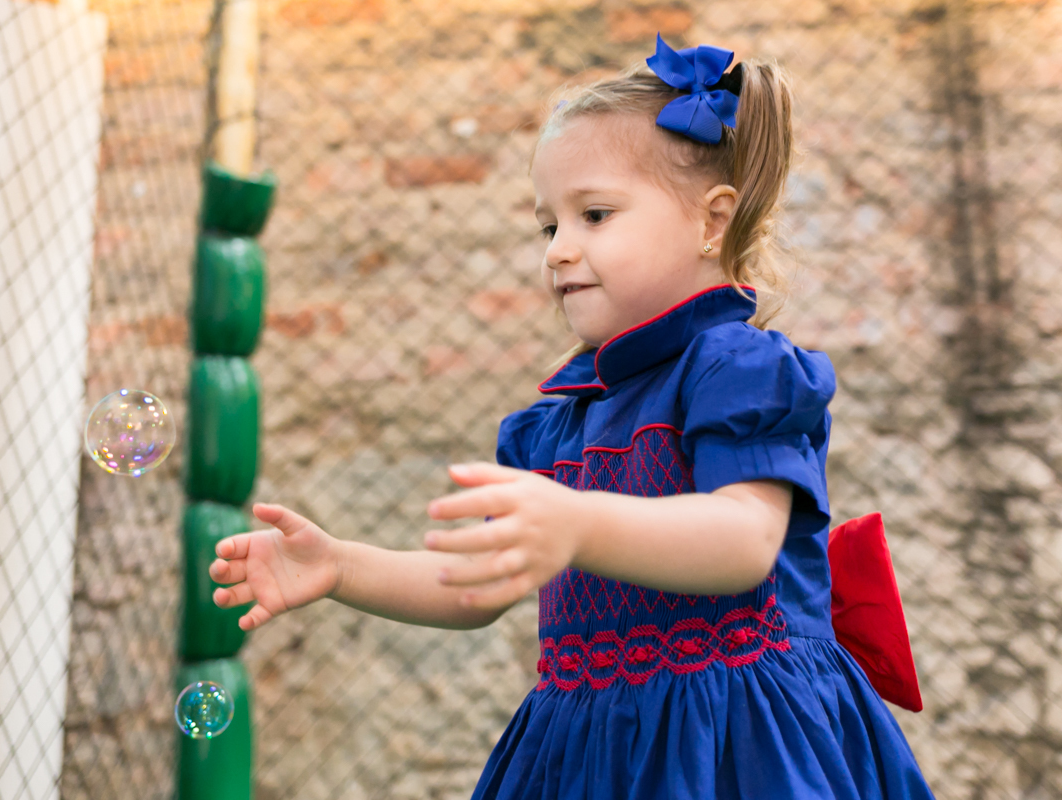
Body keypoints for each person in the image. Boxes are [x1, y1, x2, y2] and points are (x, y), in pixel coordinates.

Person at [208, 35, 935, 799]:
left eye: (593, 214)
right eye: (547, 226)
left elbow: (744, 542)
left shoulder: (735, 370)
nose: (558, 250)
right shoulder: (554, 424)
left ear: (711, 222)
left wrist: (578, 526)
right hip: (589, 751)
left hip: (736, 742)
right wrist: (341, 567)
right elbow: (472, 589)